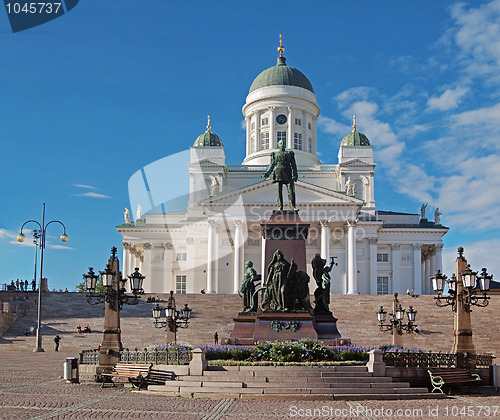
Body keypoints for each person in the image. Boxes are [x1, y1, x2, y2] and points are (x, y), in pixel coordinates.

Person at [263, 139, 299, 211]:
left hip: (288, 172)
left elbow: (293, 165)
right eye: (280, 143)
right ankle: (280, 207)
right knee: (278, 191)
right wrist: (268, 172)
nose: (282, 144)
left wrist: (295, 174)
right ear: (278, 145)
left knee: (291, 190)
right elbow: (272, 164)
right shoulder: (275, 154)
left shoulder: (289, 153)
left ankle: (292, 206)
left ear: (285, 145)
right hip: (278, 173)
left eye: (283, 143)